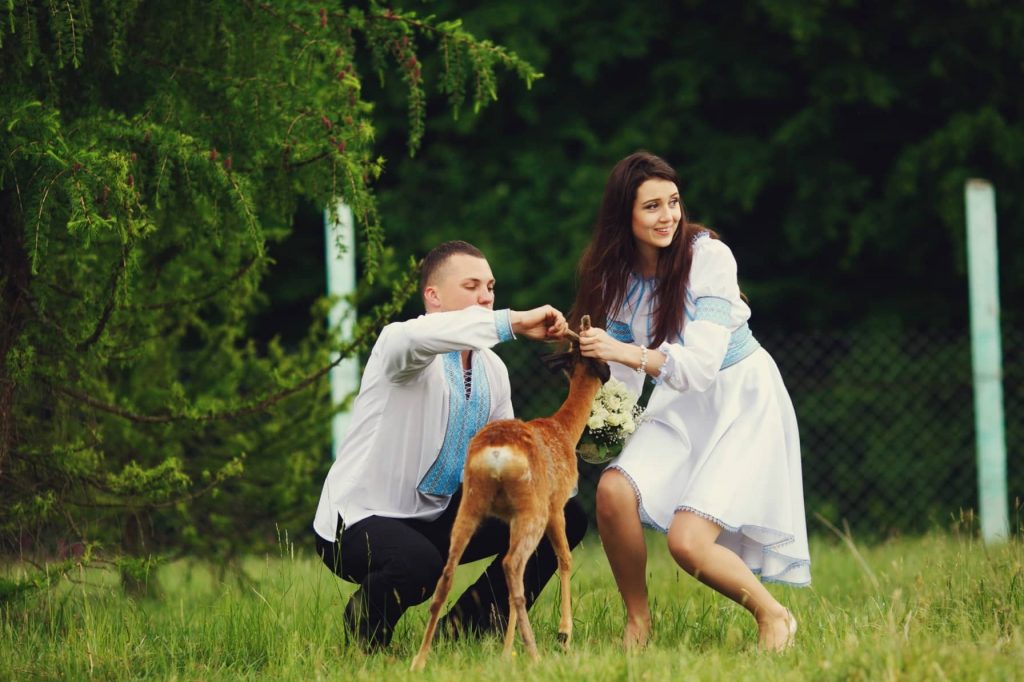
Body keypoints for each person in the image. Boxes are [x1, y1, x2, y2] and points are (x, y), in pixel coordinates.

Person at [571, 151, 810, 652]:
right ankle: (638, 625)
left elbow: (699, 367)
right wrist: (594, 426)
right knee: (612, 493)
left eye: (673, 202)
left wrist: (625, 352)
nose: (668, 216)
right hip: (678, 402)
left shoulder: (709, 257)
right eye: (652, 206)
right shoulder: (616, 275)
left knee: (686, 542)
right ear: (625, 216)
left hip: (739, 397)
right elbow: (623, 380)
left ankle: (775, 617)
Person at [312, 239, 587, 650]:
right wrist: (511, 322)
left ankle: (468, 628)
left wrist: (580, 434)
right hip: (357, 520)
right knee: (419, 566)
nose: (486, 296)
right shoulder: (399, 346)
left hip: (436, 517)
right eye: (472, 285)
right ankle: (365, 632)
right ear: (433, 297)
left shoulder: (492, 368)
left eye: (490, 287)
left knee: (557, 515)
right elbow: (425, 336)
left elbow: (510, 463)